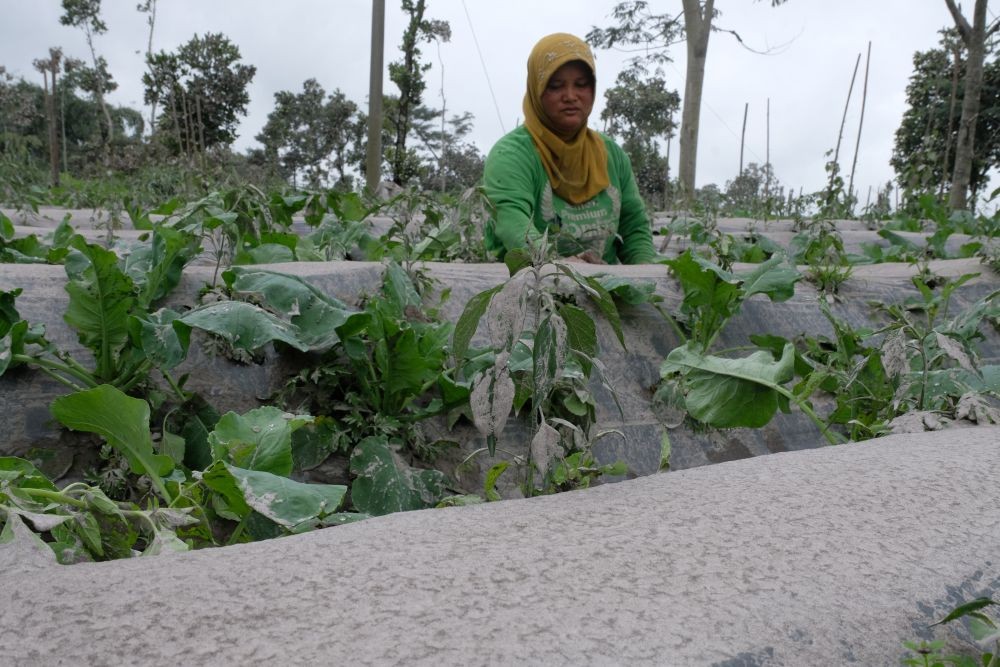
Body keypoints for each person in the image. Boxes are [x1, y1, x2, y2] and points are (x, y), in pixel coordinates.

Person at [482, 32, 657, 265]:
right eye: (556, 86)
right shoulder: (512, 155)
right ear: (537, 90)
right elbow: (512, 225)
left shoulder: (612, 155)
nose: (571, 96)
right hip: (528, 290)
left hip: (607, 292)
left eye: (581, 85)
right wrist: (559, 266)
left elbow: (634, 229)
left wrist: (646, 280)